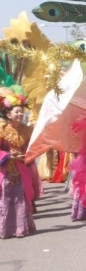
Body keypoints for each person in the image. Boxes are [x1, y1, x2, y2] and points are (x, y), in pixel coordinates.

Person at [0, 93, 39, 238]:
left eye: (21, 111)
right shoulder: (2, 129)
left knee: (21, 197)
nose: (20, 114)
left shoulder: (27, 130)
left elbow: (31, 149)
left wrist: (25, 156)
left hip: (22, 168)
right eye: (17, 111)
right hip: (6, 168)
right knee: (6, 197)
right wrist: (8, 155)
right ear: (9, 114)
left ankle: (22, 228)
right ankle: (5, 229)